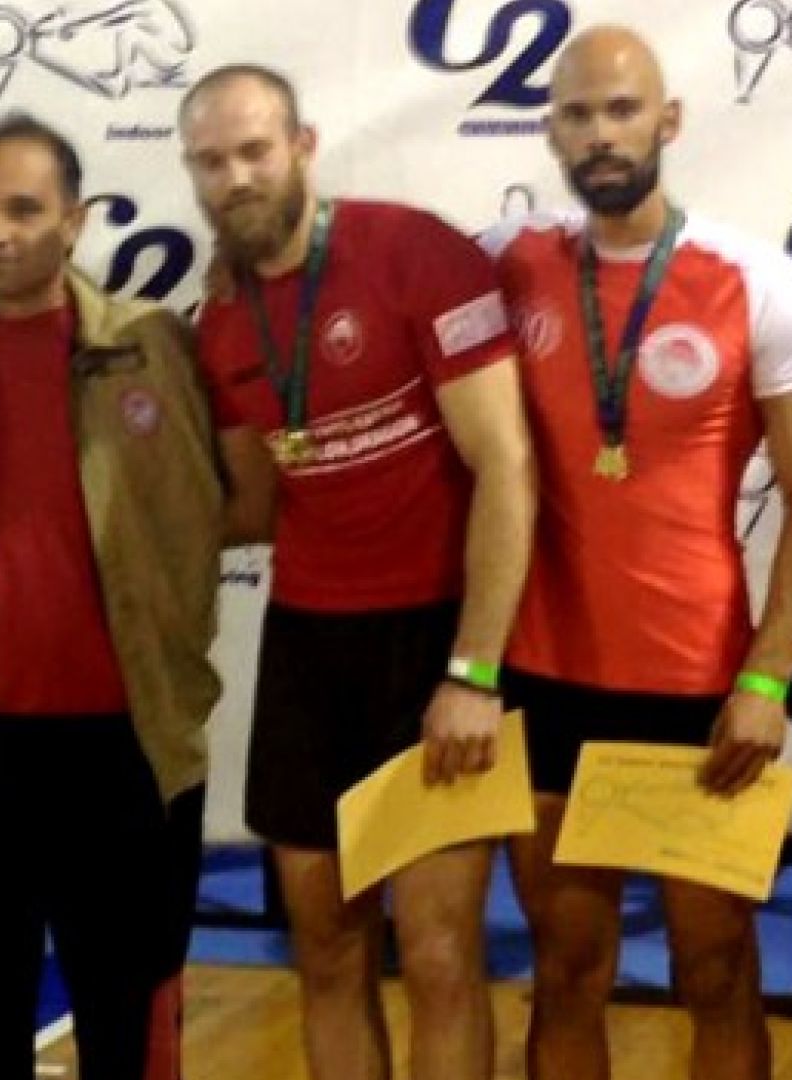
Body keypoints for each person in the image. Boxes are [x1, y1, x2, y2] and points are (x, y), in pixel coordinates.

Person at [0, 112, 271, 1080]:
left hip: (125, 754)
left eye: (23, 209)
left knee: (127, 1033)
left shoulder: (157, 348)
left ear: (76, 220)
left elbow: (246, 500)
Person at [480, 27, 792, 1080]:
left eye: (622, 109)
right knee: (565, 969)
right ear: (550, 130)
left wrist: (766, 678)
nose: (600, 134)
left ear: (668, 121)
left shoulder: (757, 281)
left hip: (699, 689)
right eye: (577, 114)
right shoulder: (504, 263)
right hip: (544, 677)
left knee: (718, 968)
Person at [179, 64, 537, 1080]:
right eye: (211, 161)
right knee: (327, 952)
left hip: (431, 642)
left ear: (302, 146)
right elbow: (252, 509)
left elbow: (506, 464)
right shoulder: (220, 324)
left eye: (255, 150)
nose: (235, 177)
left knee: (437, 954)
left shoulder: (417, 252)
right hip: (306, 649)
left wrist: (473, 671)